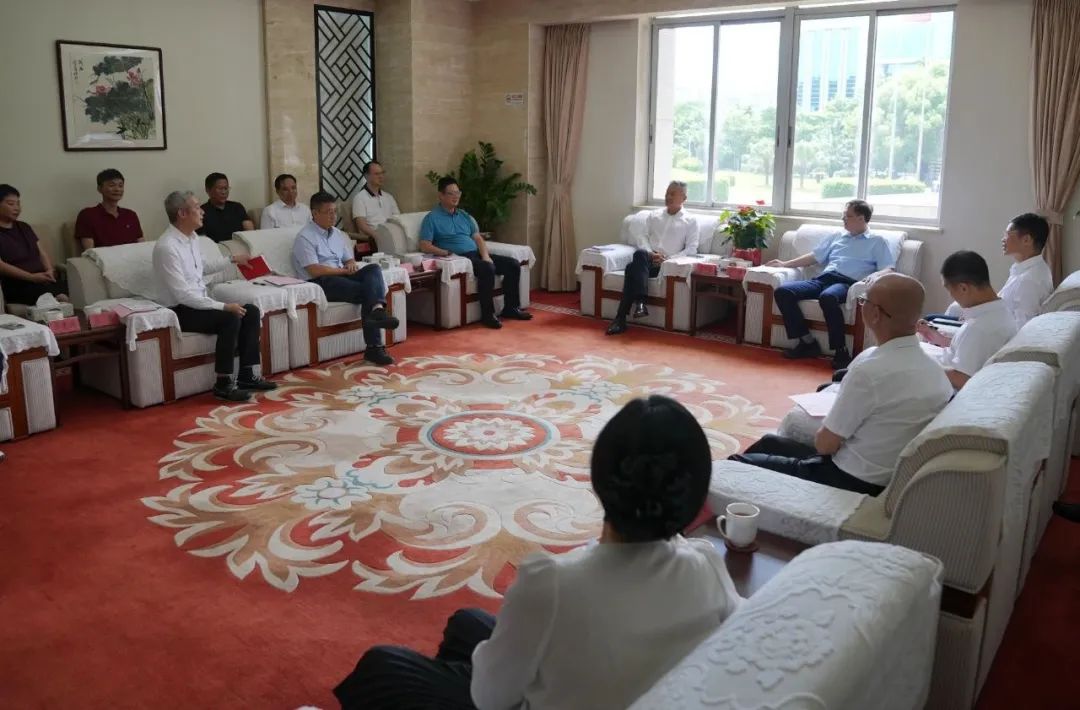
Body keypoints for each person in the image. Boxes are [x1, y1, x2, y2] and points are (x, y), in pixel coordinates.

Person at [334, 395, 740, 710]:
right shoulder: (706, 566)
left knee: (382, 666)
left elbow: (490, 699)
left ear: (599, 480)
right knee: (466, 622)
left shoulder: (553, 582)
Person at [731, 273, 952, 495]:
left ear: (875, 314)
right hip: (884, 474)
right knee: (770, 442)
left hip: (847, 479)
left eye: (864, 300)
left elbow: (825, 445)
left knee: (734, 464)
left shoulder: (869, 369)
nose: (862, 305)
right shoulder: (935, 370)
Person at [153, 191, 277, 402]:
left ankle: (247, 375)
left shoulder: (192, 238)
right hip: (179, 310)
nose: (202, 211)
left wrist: (232, 259)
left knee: (251, 311)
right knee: (230, 317)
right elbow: (182, 295)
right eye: (196, 207)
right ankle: (223, 383)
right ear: (182, 213)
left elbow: (202, 267)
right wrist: (223, 306)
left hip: (198, 303)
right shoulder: (167, 247)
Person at [767, 200, 895, 369]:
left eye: (848, 216)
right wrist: (785, 264)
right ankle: (807, 343)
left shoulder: (877, 241)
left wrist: (876, 275)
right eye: (844, 215)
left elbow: (888, 268)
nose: (843, 219)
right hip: (823, 279)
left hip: (847, 283)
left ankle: (841, 351)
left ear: (861, 218)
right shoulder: (837, 236)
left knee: (828, 297)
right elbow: (814, 257)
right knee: (783, 292)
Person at [292, 191, 400, 366]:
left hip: (341, 274)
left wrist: (350, 265)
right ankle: (374, 346)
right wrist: (343, 271)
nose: (333, 216)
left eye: (335, 211)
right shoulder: (305, 237)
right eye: (328, 212)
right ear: (315, 213)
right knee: (369, 292)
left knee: (373, 269)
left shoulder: (337, 233)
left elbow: (348, 259)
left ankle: (377, 311)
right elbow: (314, 270)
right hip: (321, 282)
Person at [418, 177, 531, 329]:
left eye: (458, 192)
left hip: (476, 254)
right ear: (441, 195)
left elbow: (478, 238)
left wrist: (486, 256)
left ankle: (511, 308)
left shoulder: (464, 216)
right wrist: (444, 252)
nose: (456, 196)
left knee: (512, 264)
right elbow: (424, 245)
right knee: (487, 268)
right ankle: (488, 315)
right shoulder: (431, 218)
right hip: (460, 259)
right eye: (451, 193)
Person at [606, 181, 699, 336]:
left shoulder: (690, 220)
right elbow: (642, 237)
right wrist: (650, 253)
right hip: (647, 259)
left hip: (666, 265)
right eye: (667, 193)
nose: (668, 196)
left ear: (684, 198)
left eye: (672, 194)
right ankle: (639, 304)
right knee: (640, 254)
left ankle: (621, 318)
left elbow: (692, 248)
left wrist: (668, 259)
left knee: (631, 268)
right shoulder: (654, 215)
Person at [932, 213, 1053, 330]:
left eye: (1007, 234)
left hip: (992, 328)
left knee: (938, 317)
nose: (1003, 239)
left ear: (1026, 240)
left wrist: (980, 321)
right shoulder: (1028, 269)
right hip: (992, 319)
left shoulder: (1029, 281)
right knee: (953, 309)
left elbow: (1021, 328)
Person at [918, 251, 1018, 390]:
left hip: (947, 381)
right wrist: (940, 340)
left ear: (963, 288)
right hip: (947, 359)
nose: (951, 295)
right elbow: (971, 351)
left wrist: (922, 367)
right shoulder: (1000, 311)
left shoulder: (980, 328)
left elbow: (963, 379)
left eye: (949, 290)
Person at [0, 185, 68, 305]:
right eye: (11, 204)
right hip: (17, 283)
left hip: (42, 278)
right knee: (57, 297)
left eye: (18, 204)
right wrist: (31, 277)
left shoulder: (24, 226)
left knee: (71, 286)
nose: (17, 208)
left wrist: (49, 270)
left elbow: (41, 253)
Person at [74, 168, 144, 252]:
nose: (117, 189)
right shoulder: (87, 215)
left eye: (120, 186)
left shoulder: (131, 215)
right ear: (99, 189)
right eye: (112, 185)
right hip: (103, 259)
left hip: (133, 258)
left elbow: (142, 246)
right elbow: (90, 252)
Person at [197, 172, 254, 242]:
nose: (224, 192)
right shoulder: (201, 212)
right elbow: (202, 241)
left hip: (240, 245)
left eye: (226, 188)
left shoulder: (237, 207)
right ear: (208, 190)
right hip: (216, 247)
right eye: (220, 188)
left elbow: (250, 233)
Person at [351, 160, 400, 239]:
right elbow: (361, 225)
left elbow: (397, 218)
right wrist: (377, 236)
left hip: (392, 234)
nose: (381, 176)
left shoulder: (389, 197)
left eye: (382, 173)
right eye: (377, 174)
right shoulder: (360, 198)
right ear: (366, 176)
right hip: (374, 237)